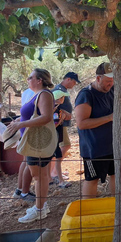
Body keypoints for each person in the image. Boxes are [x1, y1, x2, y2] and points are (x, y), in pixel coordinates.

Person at [7, 69, 56, 222]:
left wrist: (21, 123)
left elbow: (46, 117)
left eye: (30, 77)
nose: (28, 80)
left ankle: (40, 209)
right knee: (38, 175)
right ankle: (42, 206)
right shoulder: (38, 95)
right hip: (33, 142)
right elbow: (33, 115)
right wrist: (18, 121)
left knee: (39, 176)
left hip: (37, 143)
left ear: (39, 80)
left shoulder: (44, 94)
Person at [75, 62, 114, 198]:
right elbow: (82, 124)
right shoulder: (86, 95)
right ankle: (87, 213)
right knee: (92, 179)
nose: (111, 84)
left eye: (113, 80)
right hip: (94, 148)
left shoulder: (112, 90)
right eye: (108, 81)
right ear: (98, 78)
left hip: (113, 145)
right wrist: (109, 118)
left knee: (116, 174)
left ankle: (118, 208)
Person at [51, 72, 80, 180]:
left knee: (63, 146)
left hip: (62, 123)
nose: (74, 84)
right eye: (74, 82)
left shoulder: (63, 90)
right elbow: (53, 106)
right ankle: (54, 172)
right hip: (59, 124)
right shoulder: (58, 90)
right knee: (64, 146)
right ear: (68, 79)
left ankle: (55, 171)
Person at [49, 90, 72, 188]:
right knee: (57, 159)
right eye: (62, 97)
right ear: (58, 99)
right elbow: (54, 124)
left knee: (50, 159)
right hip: (54, 138)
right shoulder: (56, 110)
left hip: (54, 139)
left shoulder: (55, 109)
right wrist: (61, 119)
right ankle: (61, 181)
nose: (63, 99)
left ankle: (49, 179)